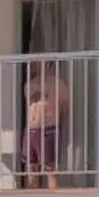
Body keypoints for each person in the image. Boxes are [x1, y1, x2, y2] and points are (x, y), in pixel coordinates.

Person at [23, 60, 68, 190]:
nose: (38, 67)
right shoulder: (30, 84)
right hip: (31, 130)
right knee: (31, 168)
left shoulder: (58, 84)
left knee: (50, 168)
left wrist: (61, 128)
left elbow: (65, 108)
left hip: (49, 129)